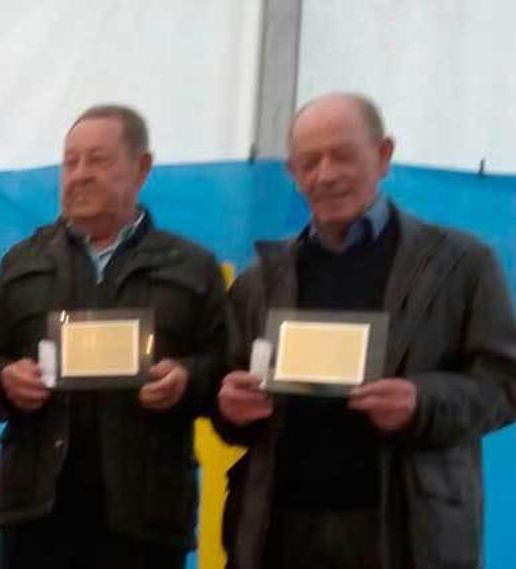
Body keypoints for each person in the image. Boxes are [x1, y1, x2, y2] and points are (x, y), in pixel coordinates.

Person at [215, 93, 516, 569]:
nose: (326, 175)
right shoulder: (259, 280)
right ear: (292, 173)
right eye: (309, 162)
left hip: (408, 534)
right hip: (279, 533)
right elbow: (229, 389)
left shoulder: (461, 264)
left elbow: (505, 383)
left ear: (383, 155)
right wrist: (231, 407)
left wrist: (422, 403)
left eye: (343, 156)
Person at [0, 104, 229, 568]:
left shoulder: (192, 267)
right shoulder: (22, 261)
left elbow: (224, 366)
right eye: (70, 162)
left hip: (146, 514)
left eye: (98, 160)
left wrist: (187, 378)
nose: (80, 175)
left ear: (142, 168)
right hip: (37, 513)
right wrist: (4, 378)